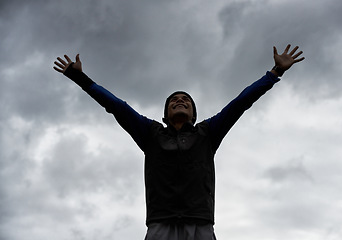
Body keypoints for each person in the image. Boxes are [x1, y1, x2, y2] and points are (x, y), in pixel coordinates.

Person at [53, 44, 304, 240]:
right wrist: (81, 79)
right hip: (161, 225)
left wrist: (275, 72)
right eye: (173, 100)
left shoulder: (207, 133)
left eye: (185, 99)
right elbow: (116, 106)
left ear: (194, 114)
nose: (179, 100)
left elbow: (240, 103)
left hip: (201, 224)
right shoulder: (150, 133)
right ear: (165, 114)